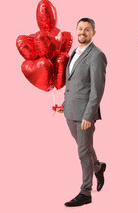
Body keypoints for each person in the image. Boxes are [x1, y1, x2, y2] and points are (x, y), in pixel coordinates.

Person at [56, 18, 108, 207]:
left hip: (84, 114)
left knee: (83, 152)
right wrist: (64, 103)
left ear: (94, 32)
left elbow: (97, 89)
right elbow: (73, 83)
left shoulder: (97, 55)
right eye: (80, 29)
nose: (82, 32)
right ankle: (98, 167)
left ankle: (86, 192)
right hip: (70, 111)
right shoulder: (75, 52)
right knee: (84, 148)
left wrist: (89, 115)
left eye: (87, 29)